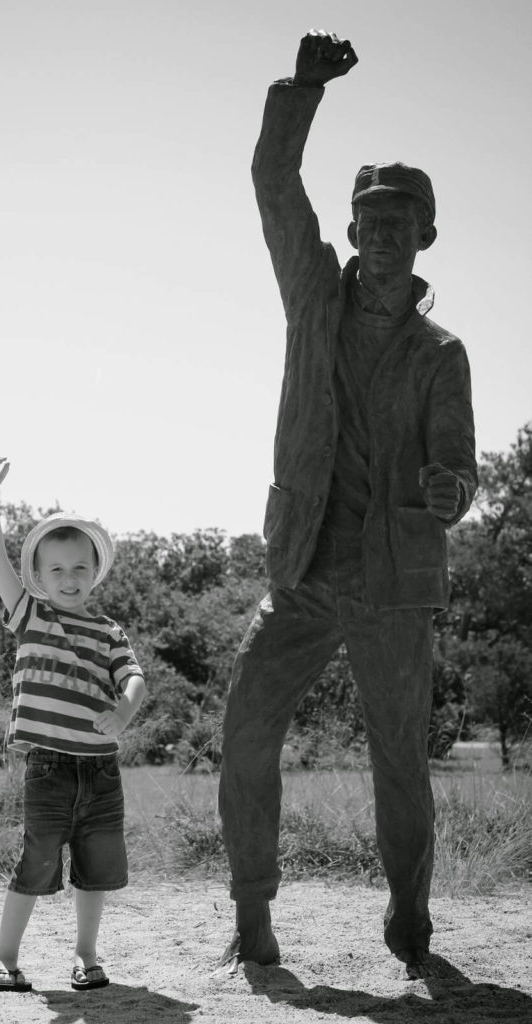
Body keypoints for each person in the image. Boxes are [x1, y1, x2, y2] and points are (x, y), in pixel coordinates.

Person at [218, 31, 477, 980]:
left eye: (400, 221)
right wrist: (301, 93)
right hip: (304, 572)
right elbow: (275, 184)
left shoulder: (442, 353)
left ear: (425, 237)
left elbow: (460, 465)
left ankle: (411, 930)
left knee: (401, 767)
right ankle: (252, 920)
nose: (379, 233)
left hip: (395, 584)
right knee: (246, 731)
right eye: (369, 217)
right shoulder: (311, 301)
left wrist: (451, 491)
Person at [0, 457, 146, 993]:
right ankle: (6, 958)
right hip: (48, 768)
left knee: (95, 870)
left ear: (94, 571)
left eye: (79, 568)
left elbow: (134, 677)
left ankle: (86, 956)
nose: (68, 578)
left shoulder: (109, 631)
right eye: (56, 569)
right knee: (35, 862)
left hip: (100, 770)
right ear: (39, 576)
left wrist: (124, 709)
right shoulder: (29, 613)